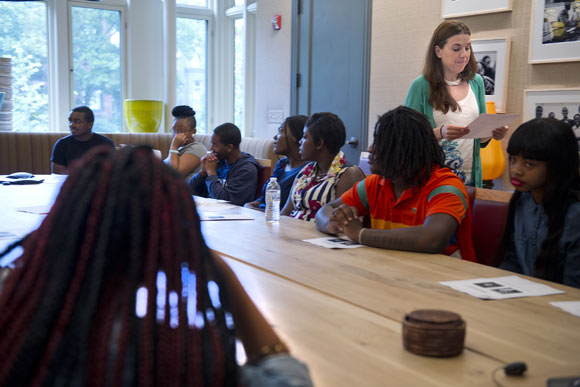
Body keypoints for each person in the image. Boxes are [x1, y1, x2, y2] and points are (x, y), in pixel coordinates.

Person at [0, 146, 313, 386]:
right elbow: (288, 379)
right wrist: (222, 273)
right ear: (174, 243)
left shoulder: (19, 326)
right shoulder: (176, 360)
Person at [315, 106, 476, 262]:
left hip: (447, 278)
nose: (370, 148)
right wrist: (333, 224)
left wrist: (360, 234)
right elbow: (326, 210)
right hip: (396, 270)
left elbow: (432, 239)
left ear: (403, 150)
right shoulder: (375, 184)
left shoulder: (446, 187)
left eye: (379, 142)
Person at [404, 21, 508, 188]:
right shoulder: (421, 85)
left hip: (470, 179)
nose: (464, 54)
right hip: (433, 180)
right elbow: (406, 137)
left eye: (467, 47)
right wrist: (439, 133)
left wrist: (493, 133)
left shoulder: (477, 82)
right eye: (456, 48)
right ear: (438, 51)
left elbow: (479, 137)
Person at [496, 118, 580, 288]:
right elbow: (512, 262)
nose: (515, 170)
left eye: (529, 164)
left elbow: (574, 287)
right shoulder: (523, 200)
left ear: (558, 165)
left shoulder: (575, 213)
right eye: (513, 159)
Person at [280, 112, 365, 222]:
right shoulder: (306, 171)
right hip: (291, 232)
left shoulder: (348, 174)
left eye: (305, 137)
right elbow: (286, 212)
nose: (300, 142)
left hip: (317, 237)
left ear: (319, 143)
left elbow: (341, 223)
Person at [245, 115, 308, 211]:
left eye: (280, 131)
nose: (275, 137)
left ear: (295, 137)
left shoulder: (306, 171)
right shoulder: (282, 164)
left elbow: (285, 211)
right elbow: (265, 198)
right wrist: (249, 205)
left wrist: (255, 211)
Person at [189, 123, 259, 206]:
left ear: (229, 147)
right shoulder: (219, 161)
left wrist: (211, 173)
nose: (211, 149)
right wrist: (202, 173)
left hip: (233, 215)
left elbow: (224, 201)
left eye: (214, 145)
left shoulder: (246, 169)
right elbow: (187, 190)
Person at [50, 106, 115, 174]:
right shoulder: (61, 144)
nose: (72, 125)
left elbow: (111, 173)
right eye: (70, 121)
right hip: (70, 184)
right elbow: (58, 175)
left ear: (90, 125)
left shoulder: (105, 144)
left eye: (77, 121)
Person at [164, 105, 207, 181]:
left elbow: (174, 175)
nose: (176, 135)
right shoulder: (180, 148)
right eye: (174, 130)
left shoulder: (197, 148)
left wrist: (174, 147)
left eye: (181, 131)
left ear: (193, 131)